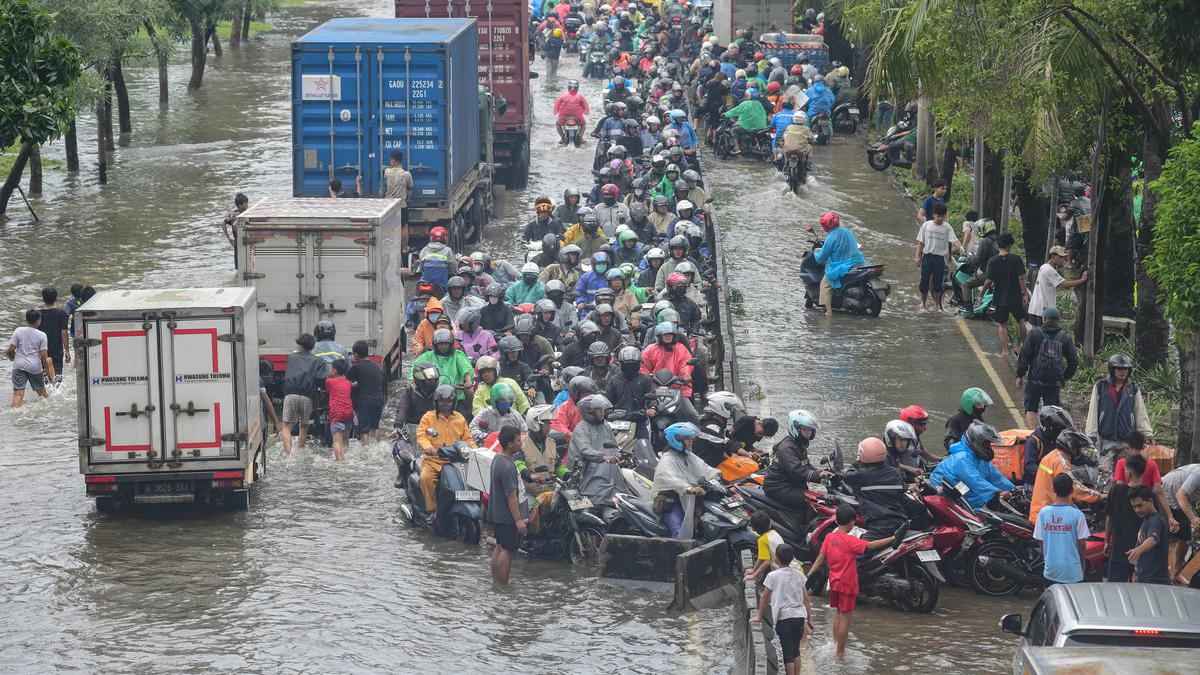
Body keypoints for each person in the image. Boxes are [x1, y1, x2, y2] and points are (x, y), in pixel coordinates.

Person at [806, 504, 897, 661]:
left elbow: (820, 560)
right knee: (846, 619)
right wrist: (894, 538)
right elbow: (870, 545)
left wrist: (808, 576)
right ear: (851, 522)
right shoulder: (851, 541)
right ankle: (840, 654)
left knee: (838, 614)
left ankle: (834, 645)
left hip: (834, 582)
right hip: (847, 584)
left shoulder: (829, 538)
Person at [763, 410, 832, 527]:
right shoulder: (787, 448)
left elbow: (806, 466)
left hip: (791, 485)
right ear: (795, 428)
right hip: (779, 487)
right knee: (815, 502)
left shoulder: (799, 444)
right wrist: (818, 475)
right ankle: (806, 531)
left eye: (810, 430)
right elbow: (797, 471)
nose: (808, 433)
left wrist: (824, 475)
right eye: (805, 429)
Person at [751, 543, 813, 675]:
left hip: (784, 618)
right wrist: (810, 619)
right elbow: (806, 599)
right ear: (792, 558)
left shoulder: (773, 576)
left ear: (776, 559)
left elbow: (764, 598)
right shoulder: (799, 575)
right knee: (796, 650)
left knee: (787, 652)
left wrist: (759, 616)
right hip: (799, 618)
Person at [1084, 353, 1153, 469]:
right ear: (1112, 369)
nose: (1123, 372)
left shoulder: (1133, 388)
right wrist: (1091, 435)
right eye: (1119, 369)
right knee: (1104, 473)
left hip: (1127, 440)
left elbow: (1140, 412)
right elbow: (1093, 412)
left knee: (1125, 473)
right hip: (1106, 439)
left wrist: (1147, 433)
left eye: (1126, 369)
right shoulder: (1101, 386)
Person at [652, 422, 720, 538]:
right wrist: (689, 488)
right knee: (679, 535)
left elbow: (705, 468)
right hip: (671, 502)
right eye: (687, 439)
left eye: (691, 438)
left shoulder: (689, 456)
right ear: (676, 440)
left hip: (691, 500)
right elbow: (672, 479)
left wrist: (718, 476)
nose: (691, 441)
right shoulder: (667, 459)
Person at [1015, 307, 1079, 429]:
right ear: (1058, 320)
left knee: (1031, 408)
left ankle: (1033, 436)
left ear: (1044, 318)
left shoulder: (1035, 334)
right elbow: (1074, 361)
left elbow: (1024, 355)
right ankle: (1049, 438)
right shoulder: (1065, 337)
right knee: (1053, 411)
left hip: (1035, 379)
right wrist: (1065, 377)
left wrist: (1020, 375)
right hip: (1054, 382)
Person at [417, 384, 473, 520]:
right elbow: (422, 435)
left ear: (454, 402)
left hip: (456, 461)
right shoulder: (428, 417)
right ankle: (433, 510)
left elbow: (468, 439)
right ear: (437, 402)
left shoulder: (460, 418)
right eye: (442, 401)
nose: (445, 404)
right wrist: (428, 447)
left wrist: (474, 451)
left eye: (448, 401)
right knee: (425, 479)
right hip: (434, 461)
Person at [929, 421, 1014, 510]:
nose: (989, 447)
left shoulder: (980, 458)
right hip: (946, 490)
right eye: (986, 443)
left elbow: (996, 477)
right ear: (976, 441)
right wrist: (996, 493)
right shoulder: (962, 458)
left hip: (963, 488)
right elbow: (974, 480)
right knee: (981, 514)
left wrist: (1013, 489)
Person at [1027, 429, 1103, 524]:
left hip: (1043, 509)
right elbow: (1072, 485)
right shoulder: (1060, 461)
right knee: (1081, 521)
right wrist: (1097, 496)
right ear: (1072, 447)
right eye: (1079, 448)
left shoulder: (1053, 455)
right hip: (1050, 515)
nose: (1080, 452)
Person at [844, 437, 910, 539]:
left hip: (881, 526)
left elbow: (847, 476)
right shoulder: (895, 473)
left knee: (859, 551)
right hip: (901, 520)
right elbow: (903, 488)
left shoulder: (862, 475)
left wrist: (857, 461)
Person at [1033, 473, 1091, 584]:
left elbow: (1040, 540)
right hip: (1072, 571)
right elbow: (1082, 544)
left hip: (1051, 570)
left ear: (1053, 490)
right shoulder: (1078, 515)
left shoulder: (1044, 513)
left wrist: (1047, 558)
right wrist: (1082, 566)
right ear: (1072, 490)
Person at [567, 394, 622, 508]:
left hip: (607, 470)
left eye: (602, 409)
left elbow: (614, 446)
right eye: (598, 410)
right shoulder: (581, 428)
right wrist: (604, 457)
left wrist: (619, 455)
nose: (602, 413)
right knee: (593, 505)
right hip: (588, 471)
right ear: (589, 412)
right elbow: (585, 450)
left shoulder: (605, 426)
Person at [489, 426, 529, 584]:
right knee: (507, 550)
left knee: (499, 547)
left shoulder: (497, 459)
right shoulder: (507, 466)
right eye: (518, 440)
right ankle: (503, 587)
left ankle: (495, 582)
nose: (521, 443)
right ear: (510, 444)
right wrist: (518, 520)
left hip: (496, 512)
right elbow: (511, 495)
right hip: (507, 516)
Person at [1112, 431, 1175, 528]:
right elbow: (1159, 491)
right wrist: (1170, 515)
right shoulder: (1151, 464)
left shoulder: (1122, 463)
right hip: (1145, 508)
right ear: (1143, 446)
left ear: (1127, 446)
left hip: (1126, 508)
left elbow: (1119, 486)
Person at [983, 232, 1028, 357]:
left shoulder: (993, 261)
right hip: (1015, 296)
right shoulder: (1016, 259)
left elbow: (989, 281)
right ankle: (1024, 346)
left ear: (997, 245)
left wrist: (981, 294)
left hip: (1000, 297)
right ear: (1009, 245)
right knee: (1020, 321)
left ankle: (1004, 351)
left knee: (1002, 325)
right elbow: (1021, 278)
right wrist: (1025, 293)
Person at [410, 329, 475, 416]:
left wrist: (468, 381)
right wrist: (411, 380)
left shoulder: (458, 355)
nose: (443, 346)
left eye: (446, 344)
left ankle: (469, 412)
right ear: (435, 345)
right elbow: (416, 368)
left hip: (456, 397)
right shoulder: (427, 355)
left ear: (451, 344)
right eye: (440, 344)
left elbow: (466, 370)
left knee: (468, 397)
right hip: (432, 396)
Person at [1105, 452, 1147, 582]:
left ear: (1129, 472)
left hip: (1118, 553)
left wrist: (1107, 540)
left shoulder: (1116, 491)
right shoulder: (1148, 495)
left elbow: (1109, 519)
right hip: (1140, 554)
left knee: (1115, 593)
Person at [813, 212, 865, 318]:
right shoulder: (847, 231)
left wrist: (815, 254)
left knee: (825, 284)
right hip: (858, 262)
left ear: (826, 225)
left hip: (843, 265)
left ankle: (829, 312)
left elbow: (821, 257)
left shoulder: (831, 238)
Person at [280, 333, 324, 457]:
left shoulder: (291, 357)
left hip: (290, 394)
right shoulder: (317, 361)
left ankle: (289, 455)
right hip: (307, 396)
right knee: (304, 425)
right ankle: (299, 450)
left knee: (287, 425)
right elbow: (320, 379)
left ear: (300, 345)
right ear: (313, 345)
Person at [914, 203, 960, 311]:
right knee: (924, 283)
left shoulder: (947, 227)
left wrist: (961, 248)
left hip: (939, 259)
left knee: (938, 283)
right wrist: (918, 257)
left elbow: (954, 240)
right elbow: (921, 242)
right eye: (938, 216)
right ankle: (924, 305)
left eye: (942, 216)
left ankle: (937, 305)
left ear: (945, 215)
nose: (940, 218)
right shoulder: (926, 225)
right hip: (927, 257)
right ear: (933, 214)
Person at [1027, 246, 1087, 325]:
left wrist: (1061, 270)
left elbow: (1058, 284)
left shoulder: (1044, 267)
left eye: (1063, 258)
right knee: (1045, 334)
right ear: (1053, 257)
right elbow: (1065, 285)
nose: (1062, 260)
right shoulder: (1049, 270)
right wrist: (1082, 280)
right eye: (1060, 257)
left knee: (1037, 333)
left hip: (1036, 307)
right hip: (1043, 309)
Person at [1161, 463, 1200, 584]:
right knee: (1164, 533)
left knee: (1185, 536)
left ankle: (1176, 572)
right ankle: (1162, 572)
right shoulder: (1198, 473)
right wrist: (1193, 518)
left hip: (1182, 501)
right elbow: (1181, 494)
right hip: (1166, 493)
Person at [6, 309, 52, 408]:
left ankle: (14, 412)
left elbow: (10, 349)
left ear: (27, 320)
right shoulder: (42, 335)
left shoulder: (18, 330)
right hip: (35, 367)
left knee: (18, 394)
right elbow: (44, 356)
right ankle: (49, 408)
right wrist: (49, 374)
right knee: (42, 393)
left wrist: (14, 358)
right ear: (38, 321)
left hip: (19, 365)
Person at [1128, 485, 1172, 584]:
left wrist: (1138, 550)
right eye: (1134, 507)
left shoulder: (1155, 521)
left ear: (1150, 501)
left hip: (1155, 582)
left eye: (1140, 505)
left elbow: (1152, 540)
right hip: (1145, 579)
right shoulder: (1146, 520)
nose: (1137, 510)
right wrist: (1136, 572)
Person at [1023, 405, 1075, 489]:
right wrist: (1051, 473)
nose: (1062, 433)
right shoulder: (1033, 442)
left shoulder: (1059, 440)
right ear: (1049, 427)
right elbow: (1030, 466)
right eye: (1059, 429)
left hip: (1055, 482)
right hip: (1035, 485)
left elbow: (1073, 455)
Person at [346, 341, 385, 445]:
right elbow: (367, 381)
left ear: (356, 355)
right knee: (375, 427)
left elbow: (346, 383)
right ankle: (377, 448)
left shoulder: (356, 368)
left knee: (364, 430)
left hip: (365, 401)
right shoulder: (376, 366)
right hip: (379, 400)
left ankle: (366, 453)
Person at [723, 87, 768, 155]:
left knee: (733, 129)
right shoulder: (759, 103)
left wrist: (725, 114)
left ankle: (736, 148)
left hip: (747, 126)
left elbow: (735, 111)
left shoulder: (745, 103)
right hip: (760, 126)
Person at [37, 287, 69, 380]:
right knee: (57, 376)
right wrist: (67, 351)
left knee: (43, 376)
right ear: (56, 298)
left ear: (43, 299)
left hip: (41, 350)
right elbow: (64, 333)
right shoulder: (62, 314)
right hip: (56, 350)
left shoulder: (38, 314)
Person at [743, 511, 786, 581]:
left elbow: (766, 562)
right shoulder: (774, 533)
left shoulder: (762, 540)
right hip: (794, 568)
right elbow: (761, 558)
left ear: (753, 529)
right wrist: (753, 570)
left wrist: (753, 575)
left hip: (784, 574)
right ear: (770, 525)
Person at [325, 359, 354, 461]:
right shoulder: (348, 383)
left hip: (337, 414)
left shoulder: (330, 382)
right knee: (345, 439)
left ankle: (339, 465)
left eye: (331, 368)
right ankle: (346, 458)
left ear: (335, 370)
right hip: (349, 414)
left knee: (337, 441)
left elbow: (326, 389)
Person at [383, 150, 413, 223]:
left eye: (390, 160)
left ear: (393, 161)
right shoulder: (407, 174)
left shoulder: (387, 171)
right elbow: (410, 188)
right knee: (404, 227)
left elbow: (385, 180)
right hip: (401, 205)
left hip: (388, 206)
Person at [221, 193, 249, 267]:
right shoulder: (241, 214)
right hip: (240, 242)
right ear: (240, 205)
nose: (247, 205)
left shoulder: (234, 213)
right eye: (245, 204)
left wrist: (228, 238)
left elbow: (223, 223)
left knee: (239, 267)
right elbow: (234, 225)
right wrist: (240, 235)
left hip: (236, 242)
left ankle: (234, 278)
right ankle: (234, 279)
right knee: (242, 267)